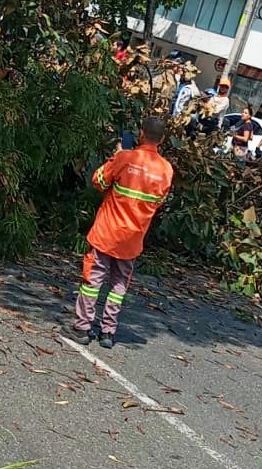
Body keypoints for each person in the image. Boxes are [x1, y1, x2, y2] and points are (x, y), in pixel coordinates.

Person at [72, 115, 173, 349]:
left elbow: (97, 181)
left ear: (140, 133)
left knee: (92, 280)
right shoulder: (166, 170)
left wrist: (114, 158)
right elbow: (159, 201)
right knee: (119, 286)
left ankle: (82, 327)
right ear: (163, 139)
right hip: (132, 239)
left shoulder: (125, 158)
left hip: (107, 232)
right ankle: (107, 332)